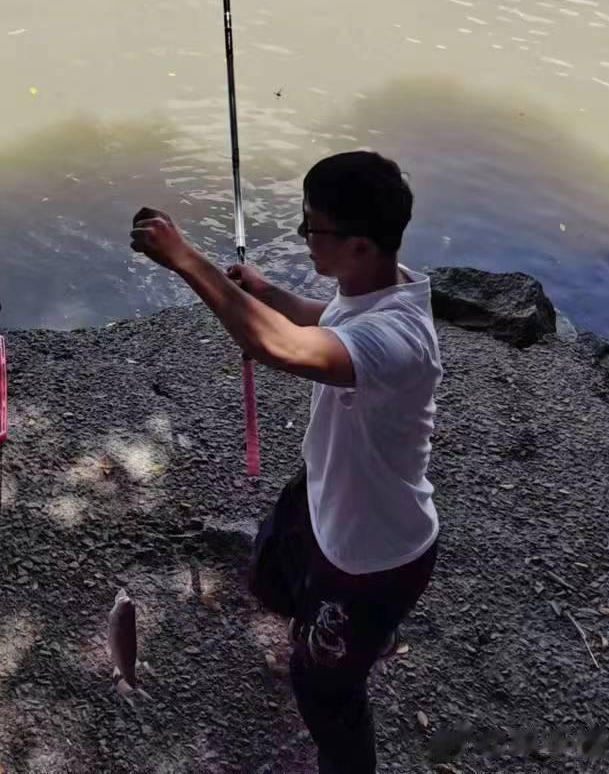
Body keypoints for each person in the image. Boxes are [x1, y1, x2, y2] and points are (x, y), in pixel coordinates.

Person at [129, 150, 441, 774]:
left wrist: (186, 260)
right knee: (272, 569)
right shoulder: (380, 285)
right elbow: (322, 319)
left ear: (358, 245)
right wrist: (268, 290)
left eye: (313, 229)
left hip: (372, 554)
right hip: (327, 499)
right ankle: (356, 638)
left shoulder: (397, 339)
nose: (304, 238)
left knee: (324, 690)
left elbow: (275, 344)